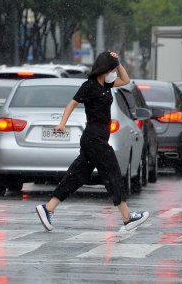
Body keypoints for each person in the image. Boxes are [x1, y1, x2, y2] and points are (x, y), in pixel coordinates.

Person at [35, 51, 149, 232]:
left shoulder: (108, 85)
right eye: (111, 69)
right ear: (104, 69)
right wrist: (62, 124)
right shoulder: (89, 86)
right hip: (94, 138)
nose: (114, 72)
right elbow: (72, 103)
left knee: (77, 176)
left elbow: (126, 80)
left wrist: (118, 63)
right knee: (112, 173)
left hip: (97, 139)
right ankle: (127, 217)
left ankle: (48, 208)